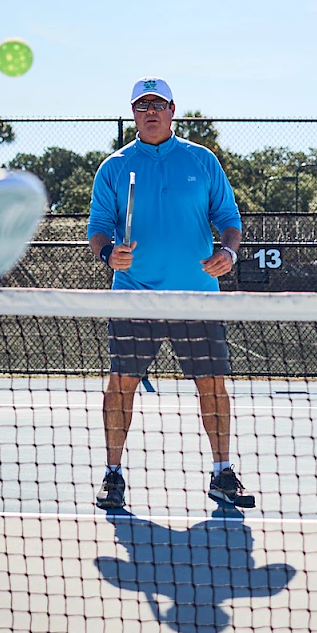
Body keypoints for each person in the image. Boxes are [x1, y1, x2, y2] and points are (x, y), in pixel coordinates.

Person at [86, 78, 253, 512]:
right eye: (142, 105)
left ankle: (222, 472)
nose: (150, 111)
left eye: (158, 103)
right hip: (133, 297)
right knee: (120, 386)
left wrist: (229, 253)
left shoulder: (202, 160)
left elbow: (229, 219)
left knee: (212, 386)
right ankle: (113, 475)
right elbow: (98, 228)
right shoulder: (114, 167)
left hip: (196, 297)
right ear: (134, 114)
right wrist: (109, 254)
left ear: (173, 109)